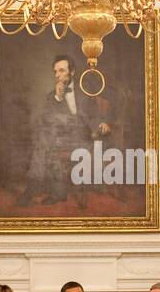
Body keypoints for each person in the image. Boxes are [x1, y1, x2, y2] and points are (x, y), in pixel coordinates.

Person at [18, 55, 116, 206]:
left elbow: (97, 113)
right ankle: (46, 189)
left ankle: (45, 190)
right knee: (46, 140)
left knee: (45, 142)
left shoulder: (86, 91)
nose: (57, 75)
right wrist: (58, 98)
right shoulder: (52, 97)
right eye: (55, 71)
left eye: (62, 70)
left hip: (84, 139)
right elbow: (45, 121)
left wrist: (104, 122)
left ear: (72, 72)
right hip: (60, 139)